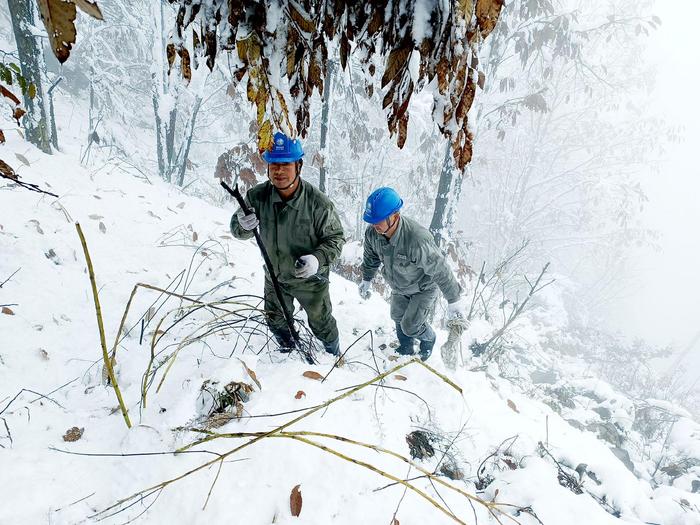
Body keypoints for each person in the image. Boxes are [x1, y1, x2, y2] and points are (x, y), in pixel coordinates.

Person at [230, 131, 345, 356]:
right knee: (276, 321)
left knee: (321, 323)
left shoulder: (317, 203)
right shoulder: (258, 196)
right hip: (275, 277)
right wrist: (243, 225)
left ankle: (334, 355)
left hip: (310, 280)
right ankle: (289, 351)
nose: (279, 171)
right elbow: (238, 229)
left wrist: (317, 259)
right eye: (274, 165)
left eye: (285, 164)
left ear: (298, 166)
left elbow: (336, 239)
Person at [358, 187, 464, 361]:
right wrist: (367, 279)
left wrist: (454, 301)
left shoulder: (416, 240)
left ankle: (429, 340)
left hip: (423, 288)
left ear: (395, 216)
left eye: (379, 220)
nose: (374, 225)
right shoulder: (373, 233)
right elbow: (370, 257)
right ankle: (406, 349)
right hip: (399, 285)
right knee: (397, 317)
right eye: (372, 220)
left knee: (411, 326)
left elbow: (440, 269)